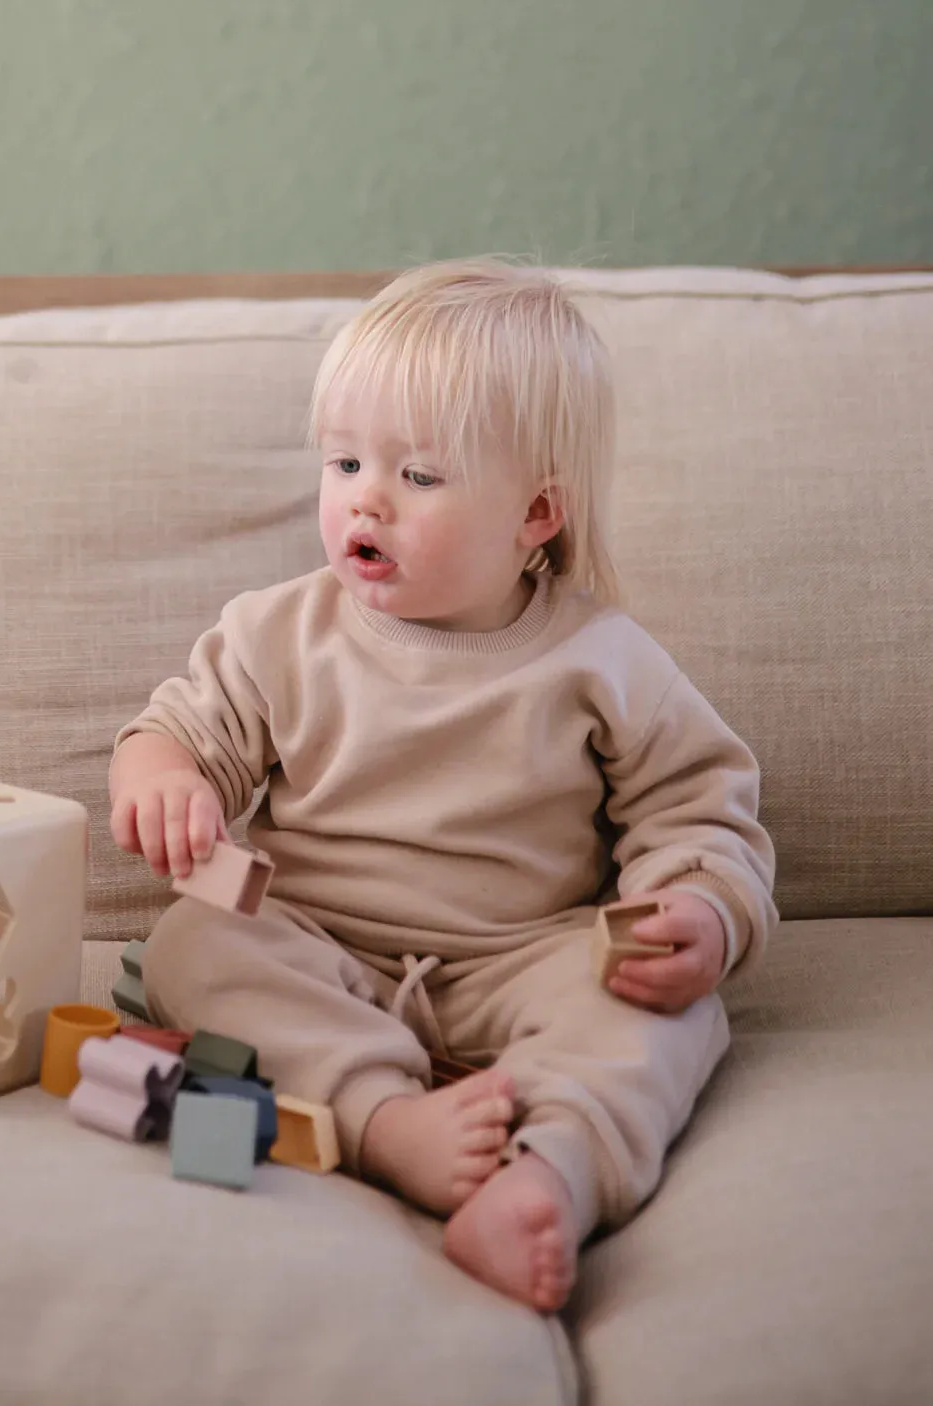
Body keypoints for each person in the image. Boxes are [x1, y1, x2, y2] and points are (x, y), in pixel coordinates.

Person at [107, 258, 777, 1313]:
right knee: (194, 940)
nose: (364, 498)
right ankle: (387, 1123)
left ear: (535, 513)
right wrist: (162, 779)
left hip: (523, 953)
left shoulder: (601, 659)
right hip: (319, 940)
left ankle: (542, 1175)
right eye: (342, 462)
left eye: (417, 476)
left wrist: (696, 906)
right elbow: (178, 730)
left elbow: (691, 807)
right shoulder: (280, 630)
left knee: (681, 1016)